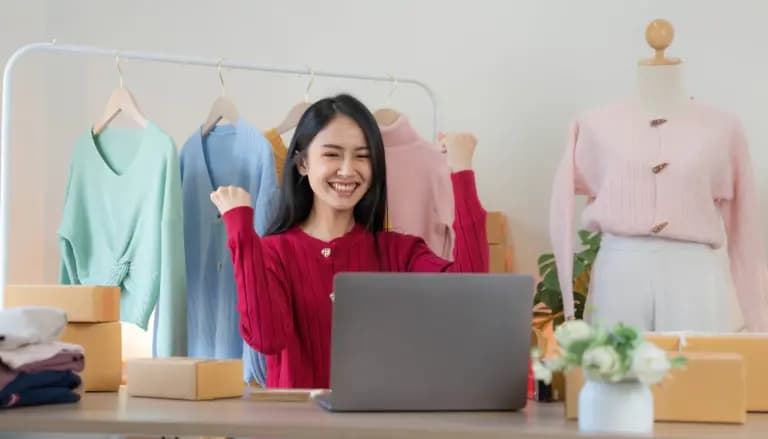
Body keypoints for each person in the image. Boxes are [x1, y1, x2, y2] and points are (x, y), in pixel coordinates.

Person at [210, 94, 489, 389]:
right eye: (332, 154)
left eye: (362, 156)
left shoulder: (399, 252)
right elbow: (267, 339)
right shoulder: (273, 253)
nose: (347, 170)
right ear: (303, 163)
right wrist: (241, 231)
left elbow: (469, 296)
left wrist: (462, 172)